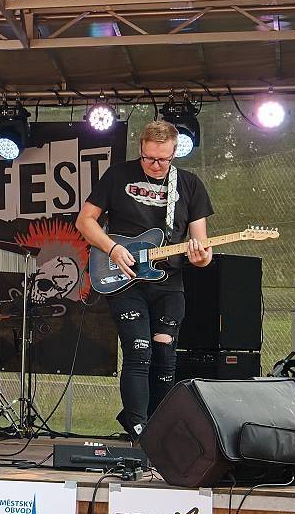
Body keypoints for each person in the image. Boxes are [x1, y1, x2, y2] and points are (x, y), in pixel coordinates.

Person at [76, 120, 213, 440]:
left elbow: (201, 246)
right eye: (149, 158)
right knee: (138, 351)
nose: (155, 165)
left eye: (163, 159)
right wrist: (112, 248)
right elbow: (85, 221)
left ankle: (159, 429)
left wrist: (201, 257)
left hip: (169, 281)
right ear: (141, 149)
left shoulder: (190, 185)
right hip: (124, 278)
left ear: (175, 153)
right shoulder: (117, 176)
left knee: (165, 353)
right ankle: (138, 427)